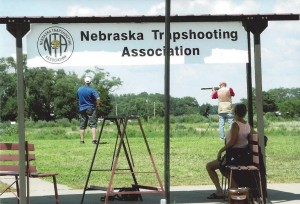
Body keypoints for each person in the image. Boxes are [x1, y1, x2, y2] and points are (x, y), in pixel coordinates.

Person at [206, 103, 254, 199]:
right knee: (222, 166)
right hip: (242, 155)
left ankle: (222, 190)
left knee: (210, 166)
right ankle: (233, 185)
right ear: (245, 113)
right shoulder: (248, 125)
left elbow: (232, 141)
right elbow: (254, 134)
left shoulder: (236, 124)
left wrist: (221, 150)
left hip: (234, 156)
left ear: (235, 112)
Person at [77, 76, 100, 144]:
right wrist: (98, 104)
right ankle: (93, 140)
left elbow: (78, 98)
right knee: (93, 124)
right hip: (91, 108)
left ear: (84, 81)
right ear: (90, 82)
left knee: (82, 125)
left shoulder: (79, 90)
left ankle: (82, 140)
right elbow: (98, 98)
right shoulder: (92, 90)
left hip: (82, 109)